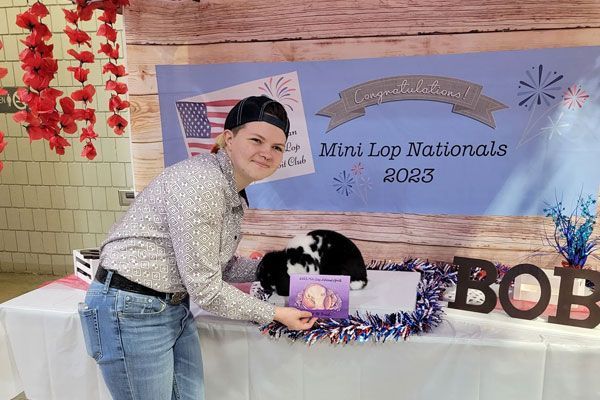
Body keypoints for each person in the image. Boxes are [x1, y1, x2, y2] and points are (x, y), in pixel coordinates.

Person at [78, 95, 317, 400]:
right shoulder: (202, 184)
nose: (266, 153)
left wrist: (275, 266)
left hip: (172, 306)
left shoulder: (227, 186)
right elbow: (206, 288)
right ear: (228, 139)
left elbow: (217, 265)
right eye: (256, 140)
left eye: (277, 147)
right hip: (131, 308)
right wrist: (276, 314)